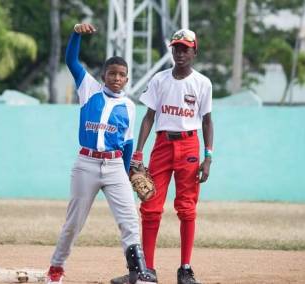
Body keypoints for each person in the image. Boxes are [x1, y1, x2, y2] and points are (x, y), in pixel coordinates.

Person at [46, 23, 157, 284]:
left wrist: (130, 171)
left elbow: (127, 143)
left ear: (127, 79)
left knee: (129, 219)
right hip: (86, 163)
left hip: (115, 166)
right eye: (112, 73)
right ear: (104, 75)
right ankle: (56, 268)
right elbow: (71, 60)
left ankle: (138, 272)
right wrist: (75, 33)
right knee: (74, 223)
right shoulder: (89, 89)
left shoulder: (129, 107)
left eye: (122, 75)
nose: (117, 78)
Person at [111, 28, 213, 284]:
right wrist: (138, 153)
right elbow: (149, 117)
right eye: (176, 48)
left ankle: (185, 269)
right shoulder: (159, 79)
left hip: (190, 146)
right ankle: (148, 269)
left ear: (194, 52)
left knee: (187, 209)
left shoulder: (202, 83)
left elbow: (208, 121)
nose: (180, 53)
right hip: (162, 144)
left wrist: (208, 156)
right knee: (150, 208)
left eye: (185, 48)